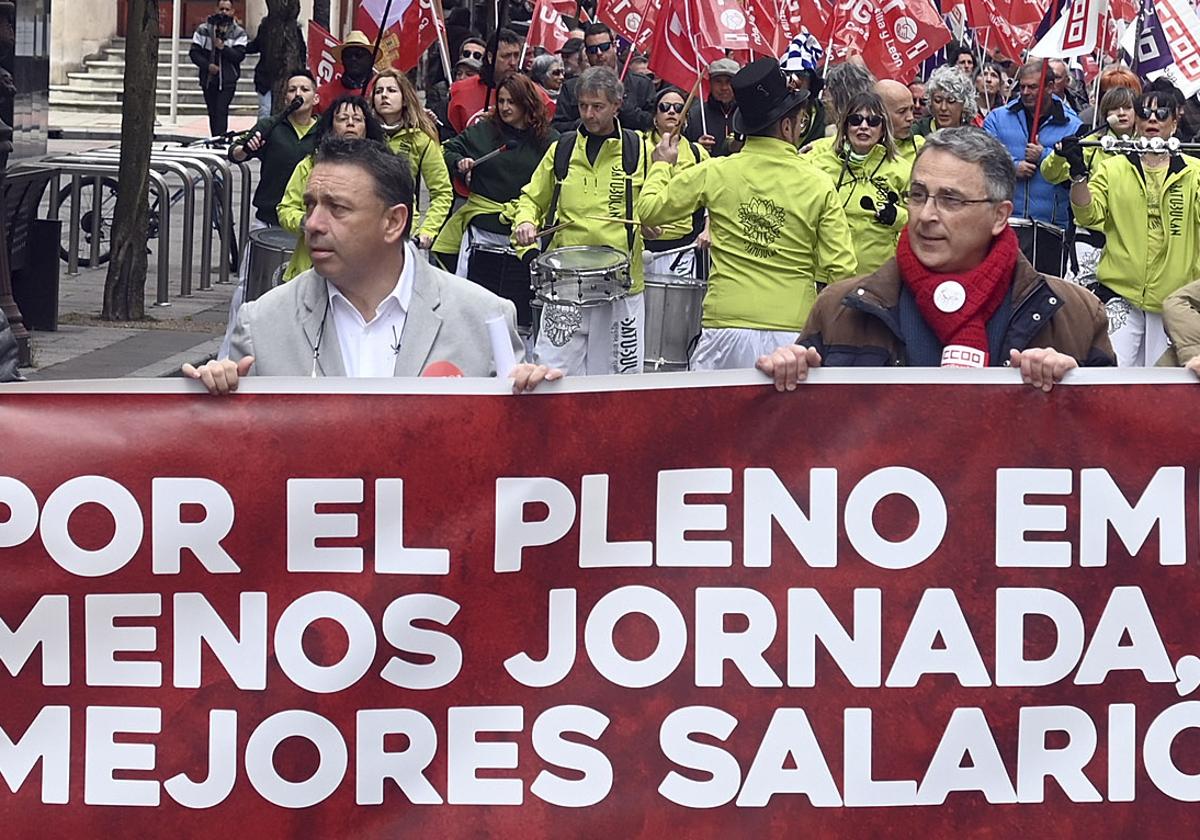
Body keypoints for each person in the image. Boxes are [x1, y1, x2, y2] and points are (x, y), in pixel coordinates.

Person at [184, 137, 559, 392]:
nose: (312, 223)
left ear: (393, 222)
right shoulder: (261, 323)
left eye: (337, 208)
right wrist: (210, 398)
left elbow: (516, 467)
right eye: (311, 204)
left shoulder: (483, 317)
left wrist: (539, 402)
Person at [755, 127, 1114, 391]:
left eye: (951, 200)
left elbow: (1116, 450)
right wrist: (788, 378)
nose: (926, 214)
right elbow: (799, 453)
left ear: (1000, 216)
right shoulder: (840, 308)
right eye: (917, 195)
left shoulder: (1074, 314)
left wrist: (1075, 388)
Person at [637, 58, 857, 371]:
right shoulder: (817, 182)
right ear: (786, 126)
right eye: (800, 121)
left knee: (717, 421)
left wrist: (661, 164)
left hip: (723, 328)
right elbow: (841, 270)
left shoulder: (716, 171)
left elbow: (650, 211)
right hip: (790, 331)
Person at [510, 66, 651, 375]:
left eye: (597, 106)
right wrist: (525, 223)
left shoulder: (641, 149)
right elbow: (532, 197)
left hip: (621, 287)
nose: (588, 114)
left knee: (616, 384)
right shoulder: (561, 149)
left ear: (617, 105)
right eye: (583, 106)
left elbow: (659, 204)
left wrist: (656, 224)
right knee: (549, 374)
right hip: (565, 286)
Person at [1065, 82, 1200, 366]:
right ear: (1136, 120)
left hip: (1172, 302)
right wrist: (1078, 177)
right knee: (1110, 377)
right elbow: (1088, 215)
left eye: (1161, 113)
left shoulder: (1194, 172)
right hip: (1121, 297)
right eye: (1144, 112)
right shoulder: (1113, 167)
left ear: (1175, 122)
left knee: (1164, 391)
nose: (1152, 119)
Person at [435, 73, 558, 322]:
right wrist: (460, 162)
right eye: (501, 101)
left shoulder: (548, 141)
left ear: (527, 104)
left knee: (521, 312)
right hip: (484, 229)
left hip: (524, 234)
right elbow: (447, 149)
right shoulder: (484, 132)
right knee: (478, 308)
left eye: (511, 102)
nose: (504, 107)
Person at [983, 60, 1081, 273]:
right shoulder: (998, 118)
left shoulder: (1072, 125)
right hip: (1006, 223)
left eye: (1032, 87)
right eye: (1022, 86)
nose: (1025, 92)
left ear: (1049, 86)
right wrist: (1013, 167)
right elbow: (982, 157)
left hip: (1050, 229)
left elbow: (1075, 172)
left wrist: (1044, 155)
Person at [277, 95, 385, 281]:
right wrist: (307, 221)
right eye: (342, 119)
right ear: (331, 127)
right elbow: (286, 209)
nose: (350, 124)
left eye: (357, 119)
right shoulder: (309, 165)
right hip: (312, 268)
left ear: (367, 127)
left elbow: (405, 209)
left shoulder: (383, 168)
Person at [1042, 86, 1136, 286]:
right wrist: (1060, 155)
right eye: (1114, 109)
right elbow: (1050, 175)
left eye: (1127, 107)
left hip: (1130, 234)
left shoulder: (1145, 147)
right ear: (1105, 115)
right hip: (1091, 233)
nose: (1121, 113)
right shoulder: (1089, 144)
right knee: (1082, 290)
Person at [811, 92, 910, 281]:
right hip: (825, 276)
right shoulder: (819, 164)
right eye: (856, 120)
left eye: (873, 121)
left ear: (883, 128)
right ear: (846, 125)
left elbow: (917, 222)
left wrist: (896, 216)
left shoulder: (902, 169)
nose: (863, 126)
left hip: (877, 276)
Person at [370, 69, 454, 250]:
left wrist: (428, 230)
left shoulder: (421, 139)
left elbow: (442, 192)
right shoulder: (363, 133)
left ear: (405, 98)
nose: (384, 95)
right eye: (379, 91)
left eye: (391, 90)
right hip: (364, 229)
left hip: (404, 231)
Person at [229, 69, 320, 229]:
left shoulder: (324, 130)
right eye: (292, 90)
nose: (298, 94)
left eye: (305, 90)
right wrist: (245, 149)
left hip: (309, 222)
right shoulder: (270, 126)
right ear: (286, 99)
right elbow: (234, 153)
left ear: (316, 98)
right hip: (268, 221)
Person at [640, 87, 710, 278]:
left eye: (679, 108)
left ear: (685, 118)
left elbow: (712, 198)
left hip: (681, 250)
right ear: (655, 116)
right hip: (642, 249)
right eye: (665, 107)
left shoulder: (698, 153)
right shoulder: (636, 147)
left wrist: (708, 229)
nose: (672, 111)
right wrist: (639, 222)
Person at [553, 23, 654, 132]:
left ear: (614, 46)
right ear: (586, 53)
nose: (599, 53)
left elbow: (653, 122)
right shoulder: (571, 88)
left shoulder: (641, 84)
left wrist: (625, 109)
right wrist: (587, 122)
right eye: (593, 50)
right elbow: (558, 127)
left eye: (604, 47)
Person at [449, 28, 553, 133]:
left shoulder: (534, 92)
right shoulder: (461, 91)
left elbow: (544, 126)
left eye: (516, 55)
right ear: (490, 57)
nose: (513, 62)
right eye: (506, 56)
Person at [189, 0, 249, 138]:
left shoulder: (238, 32)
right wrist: (207, 66)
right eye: (221, 9)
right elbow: (194, 53)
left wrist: (223, 48)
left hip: (228, 79)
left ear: (232, 11)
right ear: (216, 9)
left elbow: (239, 55)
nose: (224, 12)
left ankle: (220, 139)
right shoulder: (203, 29)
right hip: (208, 79)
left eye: (227, 9)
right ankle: (215, 138)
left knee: (221, 109)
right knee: (213, 111)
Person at [244, 7, 303, 119]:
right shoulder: (266, 28)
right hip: (265, 77)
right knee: (265, 111)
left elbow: (301, 50)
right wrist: (238, 47)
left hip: (287, 75)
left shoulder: (293, 29)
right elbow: (256, 45)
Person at [682, 59, 741, 157]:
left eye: (729, 81)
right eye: (718, 81)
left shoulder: (746, 113)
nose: (724, 87)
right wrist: (697, 148)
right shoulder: (696, 115)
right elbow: (683, 150)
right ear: (710, 83)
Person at [315, 30, 376, 111]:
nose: (353, 59)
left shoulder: (382, 90)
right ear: (342, 59)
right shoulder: (322, 94)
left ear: (370, 59)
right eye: (348, 55)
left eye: (359, 54)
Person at [914, 66, 979, 136]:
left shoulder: (976, 138)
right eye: (937, 100)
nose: (943, 108)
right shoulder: (915, 133)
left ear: (964, 105)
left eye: (951, 101)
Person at [875, 78, 922, 167]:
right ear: (879, 113)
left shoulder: (921, 147)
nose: (910, 118)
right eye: (902, 111)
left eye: (911, 109)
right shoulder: (861, 149)